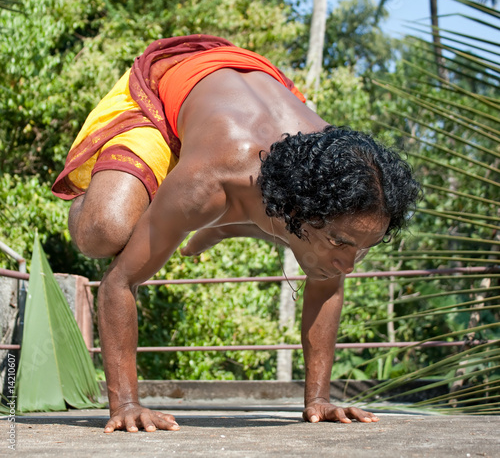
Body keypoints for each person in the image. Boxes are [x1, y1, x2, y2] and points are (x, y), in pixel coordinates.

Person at [53, 34, 421, 433]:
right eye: (341, 243)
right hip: (163, 91)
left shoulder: (337, 179)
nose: (348, 265)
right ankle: (102, 200)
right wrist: (125, 403)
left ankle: (222, 227)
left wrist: (318, 400)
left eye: (363, 249)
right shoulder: (209, 181)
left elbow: (327, 282)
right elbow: (118, 284)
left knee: (316, 254)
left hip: (254, 82)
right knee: (105, 233)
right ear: (296, 209)